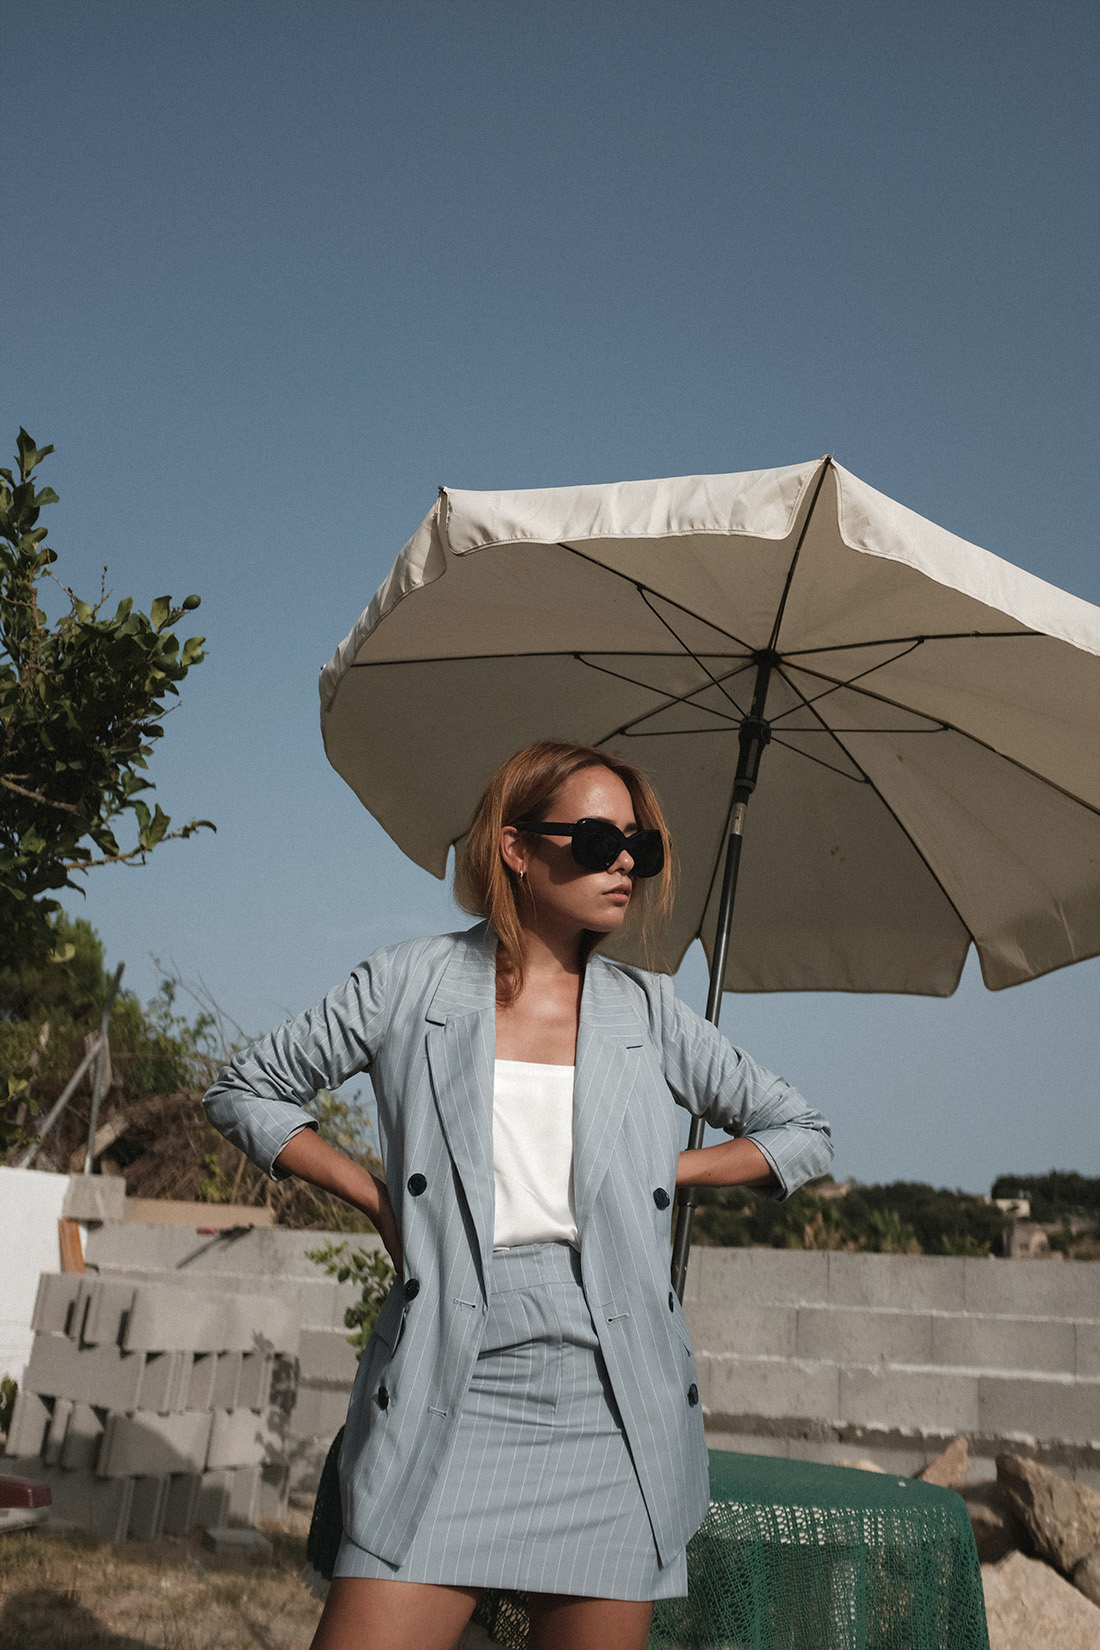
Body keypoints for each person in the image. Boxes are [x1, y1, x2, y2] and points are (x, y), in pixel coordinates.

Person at [203, 740, 833, 1650]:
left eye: (640, 847)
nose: (624, 861)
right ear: (515, 847)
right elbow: (245, 1091)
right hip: (446, 1387)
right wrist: (374, 1196)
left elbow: (801, 1133)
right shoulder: (408, 984)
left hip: (608, 1407)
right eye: (595, 838)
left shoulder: (648, 1013)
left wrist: (666, 1168)